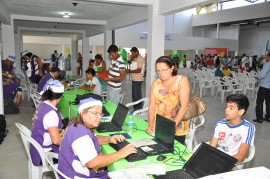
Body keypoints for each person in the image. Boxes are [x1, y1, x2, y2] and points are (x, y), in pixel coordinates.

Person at [58, 97, 137, 179]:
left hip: (70, 172)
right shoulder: (80, 134)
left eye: (100, 114)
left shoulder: (77, 124)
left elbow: (93, 138)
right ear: (82, 113)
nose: (99, 117)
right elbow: (92, 162)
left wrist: (109, 139)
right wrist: (121, 154)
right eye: (95, 113)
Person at [147, 56, 190, 145]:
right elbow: (152, 106)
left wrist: (172, 127)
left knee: (175, 153)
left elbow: (184, 106)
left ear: (172, 68)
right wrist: (150, 125)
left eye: (164, 70)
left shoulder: (181, 80)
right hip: (159, 125)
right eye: (158, 70)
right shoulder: (156, 83)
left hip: (176, 125)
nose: (160, 73)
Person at [210, 94, 255, 163]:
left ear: (241, 112)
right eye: (226, 106)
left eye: (231, 108)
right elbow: (211, 147)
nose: (226, 110)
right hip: (218, 156)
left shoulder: (248, 128)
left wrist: (223, 162)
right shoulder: (220, 124)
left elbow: (241, 156)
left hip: (233, 161)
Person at [30, 80, 65, 166]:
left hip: (36, 148)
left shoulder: (42, 105)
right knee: (75, 154)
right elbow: (56, 141)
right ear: (59, 96)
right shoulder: (51, 114)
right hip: (43, 154)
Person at [125, 47, 145, 111]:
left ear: (136, 52)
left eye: (133, 53)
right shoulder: (135, 58)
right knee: (134, 96)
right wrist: (129, 69)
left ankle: (138, 110)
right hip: (134, 79)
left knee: (137, 96)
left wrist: (130, 71)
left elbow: (139, 70)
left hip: (138, 80)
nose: (132, 55)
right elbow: (133, 66)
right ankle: (136, 109)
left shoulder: (140, 59)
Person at [253, 51, 270, 123]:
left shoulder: (268, 64)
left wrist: (257, 77)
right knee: (269, 103)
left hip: (264, 86)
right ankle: (268, 117)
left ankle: (259, 118)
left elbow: (262, 75)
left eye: (266, 56)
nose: (265, 57)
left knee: (259, 102)